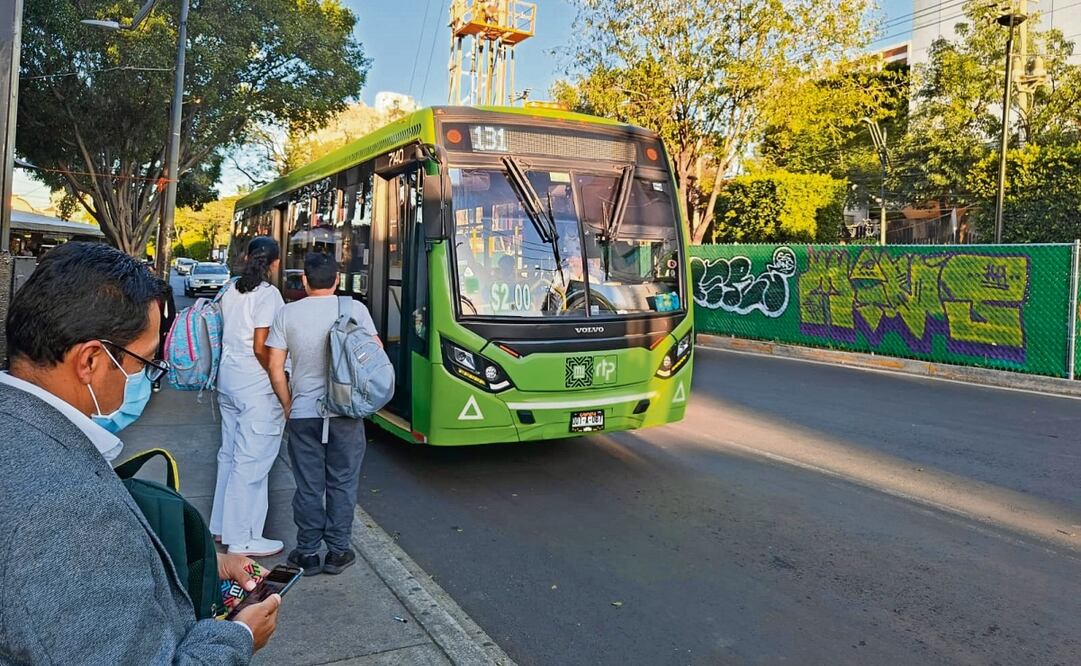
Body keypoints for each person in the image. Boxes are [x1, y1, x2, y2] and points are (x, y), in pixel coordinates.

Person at [0, 242, 281, 663]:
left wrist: (203, 564)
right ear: (91, 361)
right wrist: (239, 636)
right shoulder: (71, 513)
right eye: (144, 361)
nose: (149, 378)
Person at [265, 252, 378, 576]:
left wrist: (288, 405)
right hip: (345, 411)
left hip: (303, 413)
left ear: (304, 280)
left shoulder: (288, 313)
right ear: (338, 280)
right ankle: (338, 552)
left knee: (309, 485)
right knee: (342, 482)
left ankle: (308, 552)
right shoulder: (355, 310)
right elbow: (374, 354)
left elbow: (275, 368)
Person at [211, 236, 287, 557]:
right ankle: (242, 538)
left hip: (227, 381)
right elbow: (261, 346)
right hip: (254, 387)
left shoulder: (231, 288)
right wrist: (278, 382)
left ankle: (221, 526)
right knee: (251, 462)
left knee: (229, 456)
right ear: (274, 263)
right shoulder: (268, 295)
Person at [154, 279, 178, 392]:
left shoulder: (164, 290)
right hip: (145, 327)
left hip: (161, 328)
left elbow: (171, 311)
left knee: (159, 355)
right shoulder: (141, 288)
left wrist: (168, 328)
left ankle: (156, 379)